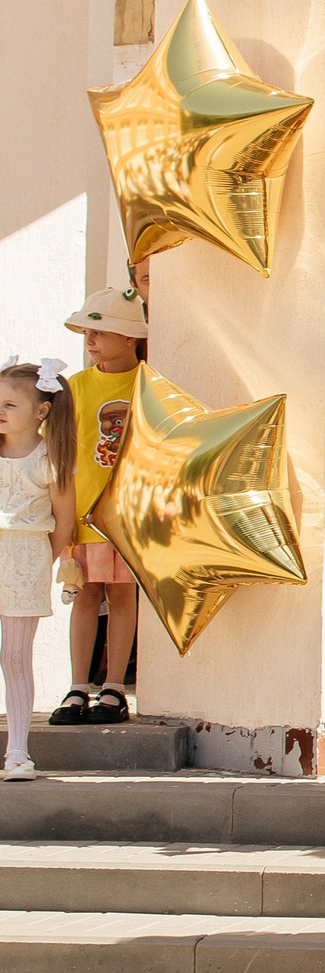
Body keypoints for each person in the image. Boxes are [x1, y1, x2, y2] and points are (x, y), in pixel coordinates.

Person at [48, 288, 147, 727]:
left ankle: (114, 687)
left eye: (102, 331)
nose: (91, 339)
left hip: (127, 515)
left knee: (122, 595)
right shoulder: (75, 388)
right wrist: (63, 516)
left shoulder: (149, 385)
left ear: (130, 337)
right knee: (85, 594)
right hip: (82, 514)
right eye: (88, 331)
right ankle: (77, 686)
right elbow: (61, 454)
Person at [0, 359, 73, 779]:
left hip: (26, 557)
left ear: (42, 410)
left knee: (14, 657)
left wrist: (42, 560)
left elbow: (64, 520)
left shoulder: (51, 459)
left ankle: (17, 752)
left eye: (10, 404)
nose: (1, 410)